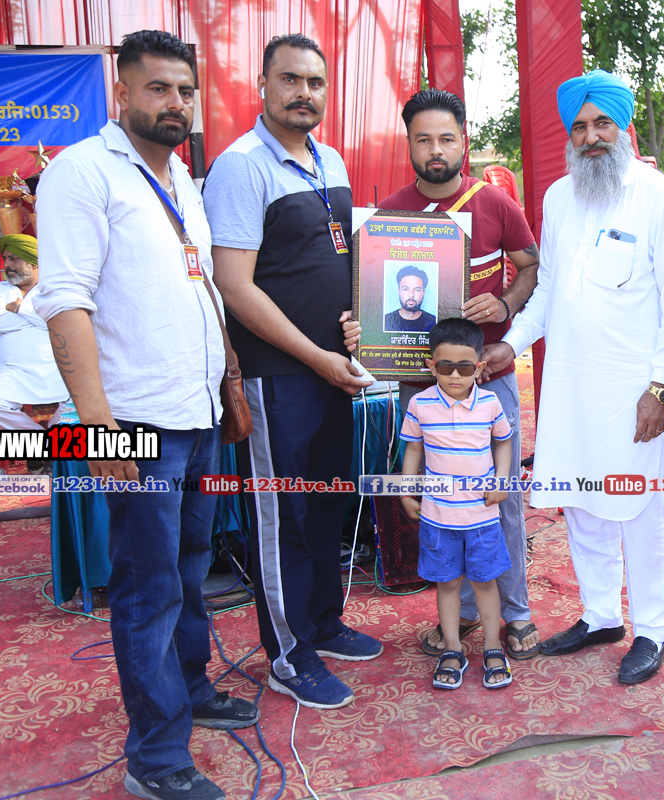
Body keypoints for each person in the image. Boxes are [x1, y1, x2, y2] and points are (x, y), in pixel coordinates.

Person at [33, 30, 258, 800]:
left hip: (195, 416)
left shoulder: (182, 179)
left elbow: (200, 289)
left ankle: (189, 688)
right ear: (121, 93)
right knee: (147, 588)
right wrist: (97, 427)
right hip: (135, 424)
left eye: (185, 91)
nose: (176, 103)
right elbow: (65, 303)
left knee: (191, 569)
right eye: (158, 88)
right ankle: (156, 762)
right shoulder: (81, 172)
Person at [479, 69, 664, 685]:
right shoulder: (557, 197)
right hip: (570, 385)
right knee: (581, 502)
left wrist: (661, 388)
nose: (591, 137)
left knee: (641, 507)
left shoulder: (660, 197)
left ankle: (653, 627)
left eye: (602, 124)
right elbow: (548, 288)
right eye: (579, 127)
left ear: (623, 128)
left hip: (635, 391)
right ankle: (601, 615)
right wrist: (511, 344)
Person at [204, 34, 381, 711]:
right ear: (263, 84)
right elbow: (234, 285)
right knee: (285, 514)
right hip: (278, 375)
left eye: (315, 82)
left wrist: (359, 324)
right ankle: (288, 651)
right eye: (290, 79)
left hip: (335, 372)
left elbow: (337, 260)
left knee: (328, 498)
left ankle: (324, 622)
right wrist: (315, 356)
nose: (303, 92)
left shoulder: (329, 159)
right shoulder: (241, 167)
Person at [344, 88, 542, 660]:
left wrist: (505, 302)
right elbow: (371, 296)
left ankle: (516, 612)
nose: (436, 150)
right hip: (420, 383)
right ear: (408, 143)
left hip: (488, 378)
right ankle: (463, 615)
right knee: (440, 499)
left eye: (446, 139)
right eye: (424, 139)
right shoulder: (388, 216)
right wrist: (359, 327)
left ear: (464, 142)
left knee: (498, 496)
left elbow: (530, 267)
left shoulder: (495, 202)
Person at [399, 318, 514, 689]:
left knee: (485, 583)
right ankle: (452, 649)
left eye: (464, 368)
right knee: (446, 584)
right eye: (445, 366)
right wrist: (405, 491)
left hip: (481, 517)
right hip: (438, 517)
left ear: (479, 367)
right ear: (431, 365)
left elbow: (504, 441)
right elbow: (413, 448)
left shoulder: (490, 403)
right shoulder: (420, 404)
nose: (454, 376)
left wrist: (501, 479)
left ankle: (493, 647)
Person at [0, 235, 69, 473]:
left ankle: (47, 439)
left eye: (14, 259)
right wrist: (40, 317)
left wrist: (19, 308)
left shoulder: (53, 289)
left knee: (80, 403)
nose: (7, 264)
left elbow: (62, 322)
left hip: (59, 368)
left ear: (34, 262)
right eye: (5, 258)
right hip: (13, 371)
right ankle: (43, 442)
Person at [383, 265, 436, 332]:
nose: (411, 295)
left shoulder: (434, 322)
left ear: (424, 293)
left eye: (417, 290)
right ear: (399, 291)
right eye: (405, 289)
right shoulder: (385, 320)